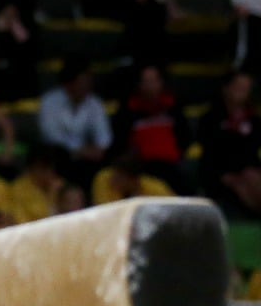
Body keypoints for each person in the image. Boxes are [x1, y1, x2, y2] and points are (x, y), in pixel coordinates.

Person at [110, 65, 190, 193]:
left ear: (161, 82)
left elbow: (185, 137)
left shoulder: (173, 107)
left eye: (153, 81)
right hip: (140, 168)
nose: (150, 86)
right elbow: (120, 142)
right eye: (146, 81)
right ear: (139, 84)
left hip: (171, 166)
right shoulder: (127, 111)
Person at [37, 56, 111, 187]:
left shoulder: (94, 103)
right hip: (59, 156)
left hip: (87, 159)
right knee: (58, 156)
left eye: (89, 81)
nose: (88, 85)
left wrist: (97, 149)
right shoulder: (50, 101)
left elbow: (104, 137)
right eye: (83, 81)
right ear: (69, 83)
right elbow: (51, 135)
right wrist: (78, 150)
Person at [200, 71, 261, 216]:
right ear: (226, 88)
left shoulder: (254, 120)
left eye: (246, 88)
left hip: (250, 174)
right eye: (238, 87)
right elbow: (210, 153)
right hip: (220, 175)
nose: (242, 92)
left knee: (252, 178)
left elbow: (253, 152)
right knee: (245, 182)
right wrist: (226, 177)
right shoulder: (210, 119)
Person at [8, 144, 62, 224]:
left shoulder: (58, 186)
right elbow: (21, 224)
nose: (50, 174)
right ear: (33, 168)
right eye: (44, 169)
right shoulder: (19, 190)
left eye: (51, 169)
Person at [91, 154, 174, 205]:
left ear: (133, 180)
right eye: (114, 174)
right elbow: (104, 212)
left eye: (119, 178)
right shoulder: (103, 178)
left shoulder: (156, 188)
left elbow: (174, 210)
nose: (113, 180)